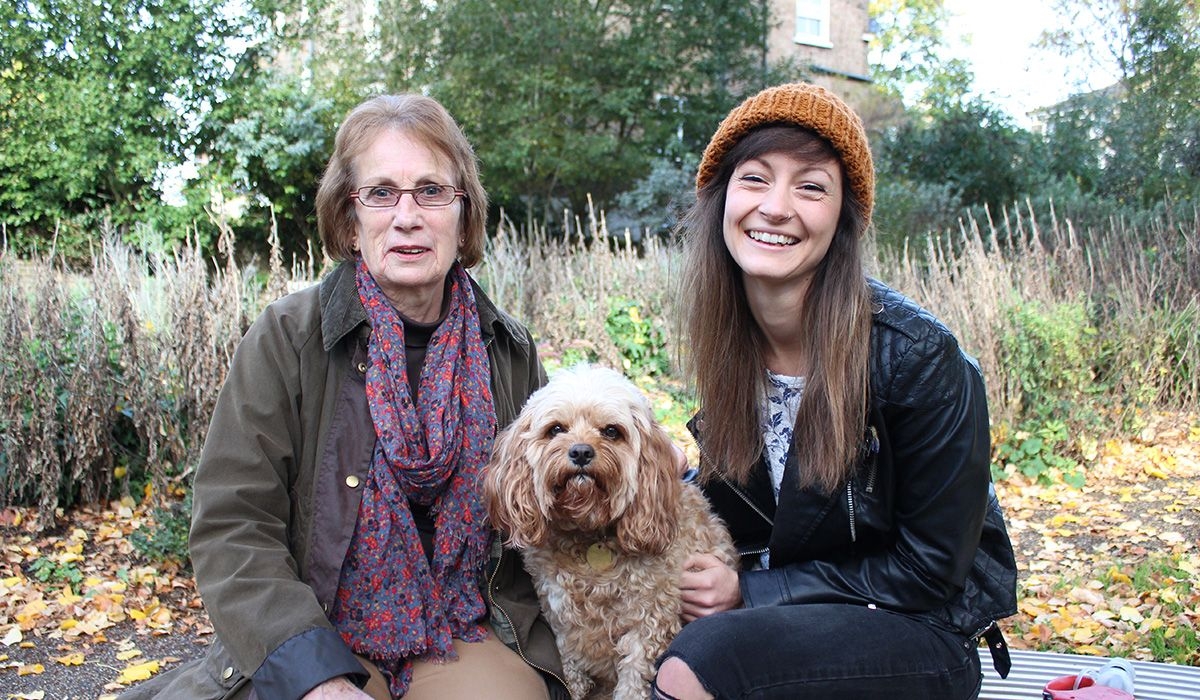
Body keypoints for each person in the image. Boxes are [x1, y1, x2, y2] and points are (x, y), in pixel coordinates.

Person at [123, 94, 567, 699]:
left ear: (463, 218)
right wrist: (313, 673)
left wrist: (650, 474)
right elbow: (234, 524)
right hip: (321, 621)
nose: (407, 216)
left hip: (465, 621)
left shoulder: (506, 350)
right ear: (349, 220)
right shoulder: (288, 337)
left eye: (431, 191)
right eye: (381, 193)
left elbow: (561, 498)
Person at [652, 83, 1018, 699]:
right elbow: (769, 510)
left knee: (699, 661)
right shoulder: (732, 346)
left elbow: (931, 572)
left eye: (811, 186)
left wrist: (750, 590)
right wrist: (664, 478)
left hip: (916, 631)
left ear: (843, 217)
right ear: (722, 201)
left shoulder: (918, 357)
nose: (776, 206)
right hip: (791, 618)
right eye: (755, 179)